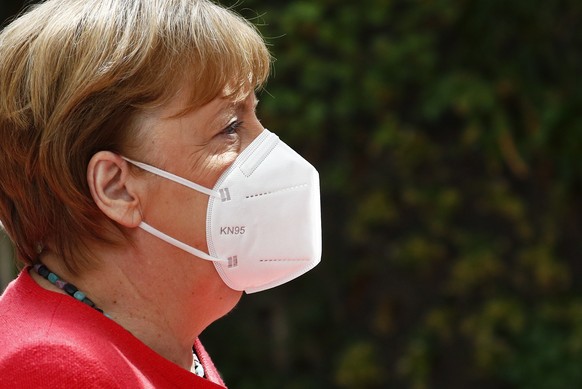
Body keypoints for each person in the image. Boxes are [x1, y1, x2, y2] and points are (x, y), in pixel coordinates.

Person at [0, 0, 322, 387]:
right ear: (117, 188)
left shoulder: (159, 342)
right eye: (230, 126)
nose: (268, 148)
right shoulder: (52, 370)